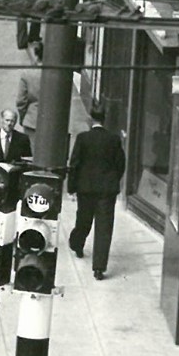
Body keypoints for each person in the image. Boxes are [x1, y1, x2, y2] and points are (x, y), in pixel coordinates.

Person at [67, 106, 128, 280]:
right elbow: (120, 164)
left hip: (85, 189)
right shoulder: (113, 139)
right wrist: (113, 179)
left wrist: (72, 187)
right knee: (104, 228)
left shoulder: (83, 138)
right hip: (106, 190)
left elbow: (74, 164)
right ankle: (99, 268)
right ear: (104, 119)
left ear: (90, 119)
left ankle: (77, 244)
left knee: (83, 220)